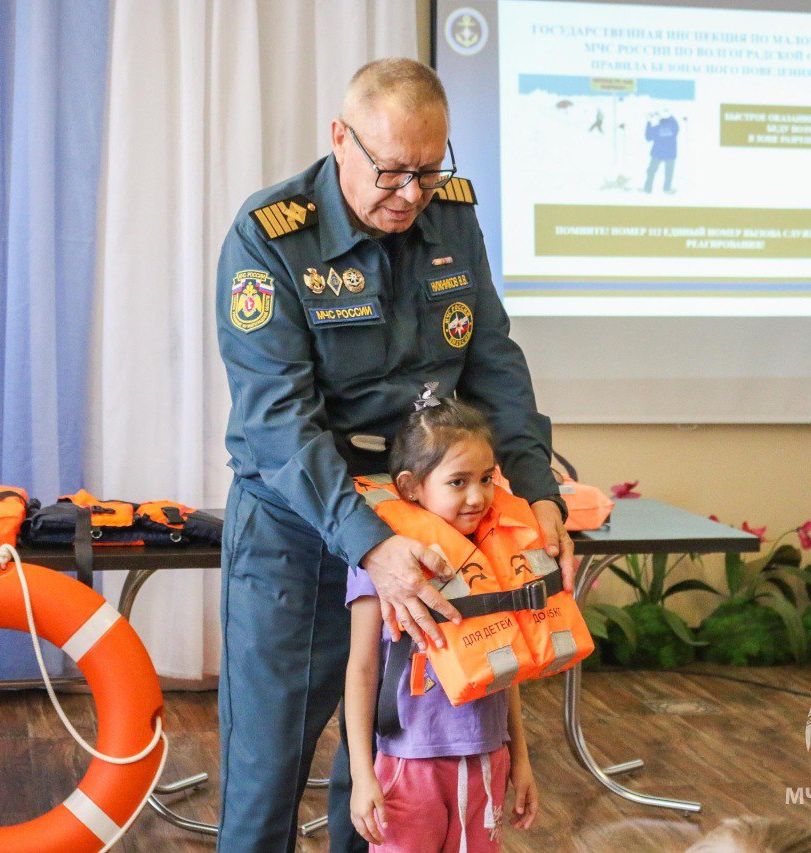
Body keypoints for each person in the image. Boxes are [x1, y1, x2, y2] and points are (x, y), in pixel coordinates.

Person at [215, 57, 572, 851]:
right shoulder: (270, 236)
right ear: (339, 138)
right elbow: (278, 420)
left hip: (425, 525)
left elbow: (493, 360)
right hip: (300, 530)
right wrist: (369, 543)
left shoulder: (451, 217)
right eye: (391, 172)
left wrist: (540, 489)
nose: (411, 194)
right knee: (267, 766)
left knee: (386, 766)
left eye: (429, 171)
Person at [345, 397, 538, 851]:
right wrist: (361, 774)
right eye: (458, 482)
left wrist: (521, 759)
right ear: (411, 488)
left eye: (487, 479)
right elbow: (361, 671)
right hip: (407, 764)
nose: (477, 496)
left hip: (488, 757)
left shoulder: (494, 556)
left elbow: (504, 667)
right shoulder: (380, 566)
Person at [643, 107, 679, 194]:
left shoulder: (657, 127)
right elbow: (675, 126)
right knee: (668, 173)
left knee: (651, 171)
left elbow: (648, 137)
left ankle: (647, 189)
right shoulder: (674, 125)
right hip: (670, 153)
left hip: (658, 153)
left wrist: (649, 122)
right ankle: (666, 189)